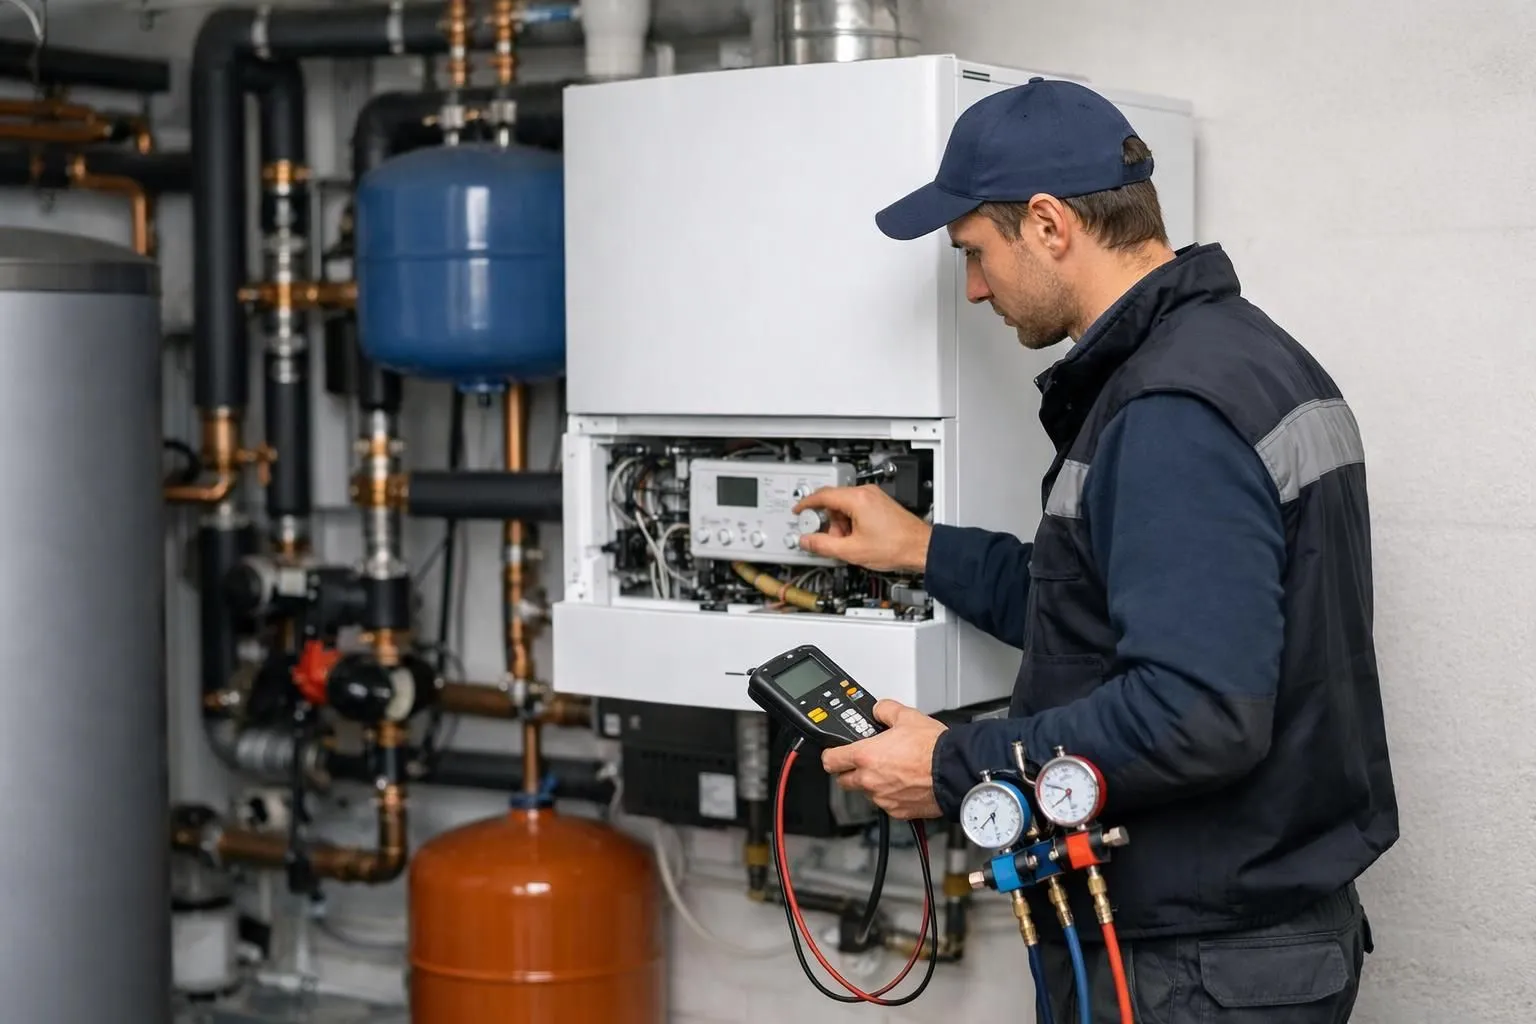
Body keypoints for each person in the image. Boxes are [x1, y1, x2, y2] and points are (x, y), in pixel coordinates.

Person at [793, 76, 1399, 1023]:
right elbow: (1103, 610)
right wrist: (921, 548)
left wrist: (954, 765)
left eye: (976, 253)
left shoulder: (1170, 412)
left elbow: (1196, 713)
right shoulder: (1238, 356)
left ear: (1047, 223)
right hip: (1228, 942)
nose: (977, 286)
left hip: (1194, 966)